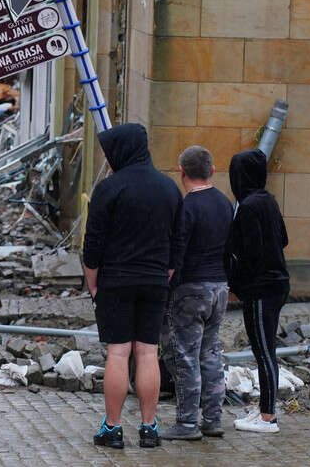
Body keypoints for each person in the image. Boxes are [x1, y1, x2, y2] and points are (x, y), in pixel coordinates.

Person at [82, 123, 181, 450]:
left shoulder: (109, 189)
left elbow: (92, 245)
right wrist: (162, 276)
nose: (109, 160)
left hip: (116, 282)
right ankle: (149, 428)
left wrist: (94, 285)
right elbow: (177, 245)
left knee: (119, 352)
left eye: (111, 154)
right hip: (155, 282)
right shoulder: (169, 188)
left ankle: (112, 428)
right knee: (148, 352)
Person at [159, 145, 233, 441]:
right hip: (220, 288)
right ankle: (213, 419)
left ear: (182, 173)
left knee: (185, 357)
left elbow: (176, 256)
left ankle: (187, 423)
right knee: (211, 354)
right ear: (212, 170)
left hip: (191, 290)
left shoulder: (186, 207)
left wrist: (164, 286)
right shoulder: (226, 204)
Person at [225, 148, 290, 434]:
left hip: (261, 289)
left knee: (264, 352)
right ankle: (266, 409)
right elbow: (284, 240)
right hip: (276, 284)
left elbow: (249, 254)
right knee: (266, 350)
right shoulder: (268, 201)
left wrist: (237, 284)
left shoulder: (249, 207)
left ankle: (268, 416)